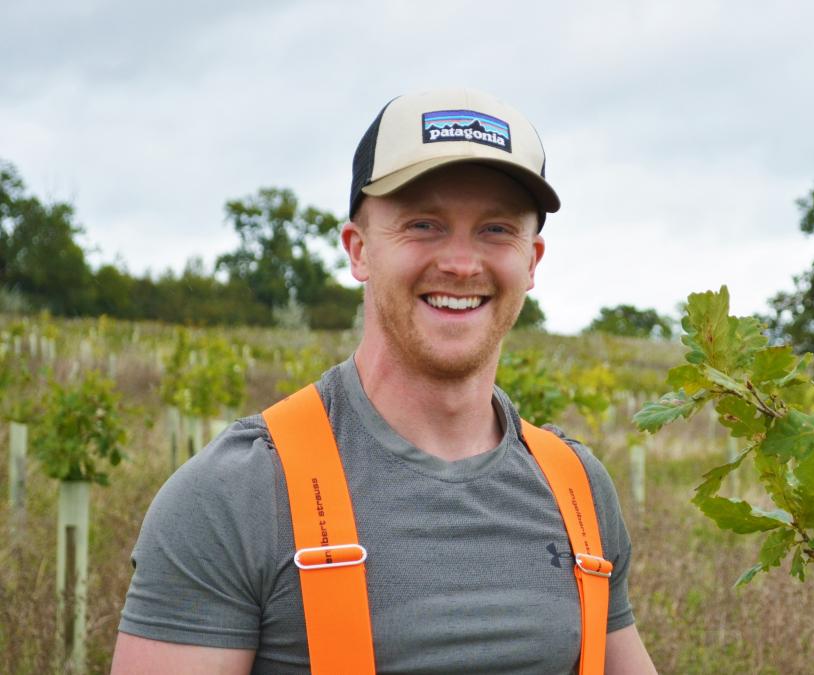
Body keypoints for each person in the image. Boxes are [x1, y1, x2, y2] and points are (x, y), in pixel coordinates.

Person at [111, 89, 656, 674]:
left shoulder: (578, 489)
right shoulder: (235, 495)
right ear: (359, 249)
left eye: (496, 229)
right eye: (424, 224)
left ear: (532, 262)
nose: (462, 263)